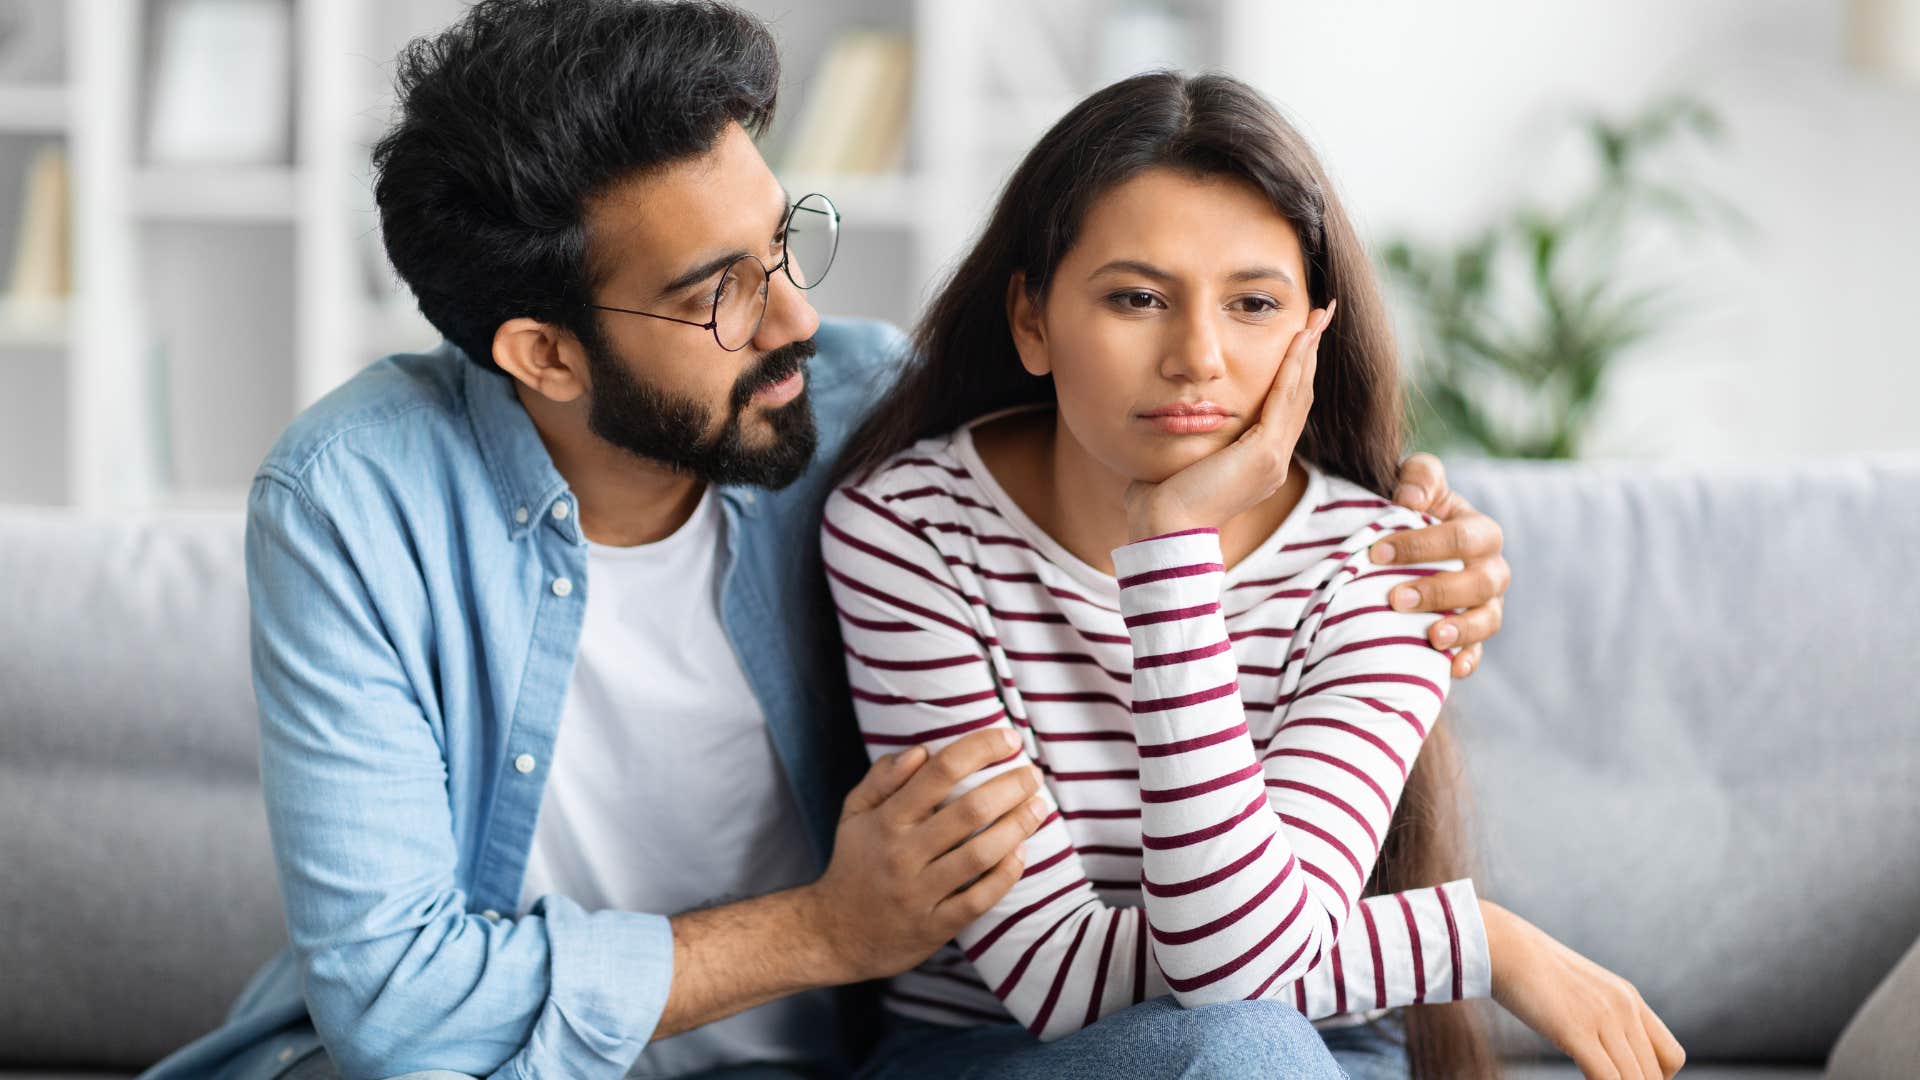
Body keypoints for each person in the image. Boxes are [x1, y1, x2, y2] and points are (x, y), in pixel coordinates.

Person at [137, 4, 1514, 1078]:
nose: (795, 317)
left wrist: (1414, 531)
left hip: (831, 1066)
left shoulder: (856, 407)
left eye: (783, 241)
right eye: (717, 295)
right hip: (488, 1071)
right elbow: (395, 1004)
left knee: (1245, 1052)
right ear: (543, 351)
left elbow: (1171, 421)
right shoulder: (352, 505)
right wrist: (822, 931)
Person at [824, 71, 1685, 1080]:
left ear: (1311, 335)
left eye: (1252, 303)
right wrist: (1475, 940)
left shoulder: (1392, 566)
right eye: (1136, 297)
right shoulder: (908, 529)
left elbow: (1246, 979)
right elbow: (1054, 973)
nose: (1197, 356)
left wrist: (1167, 548)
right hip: (993, 1055)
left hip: (1314, 1049)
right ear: (1032, 319)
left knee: (1250, 1047)